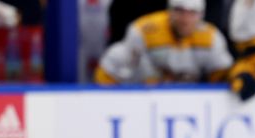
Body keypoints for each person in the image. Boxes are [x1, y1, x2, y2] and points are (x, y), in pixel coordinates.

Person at [95, 0, 232, 84]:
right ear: (169, 11)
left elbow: (223, 75)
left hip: (188, 103)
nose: (185, 20)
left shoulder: (211, 37)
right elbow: (109, 70)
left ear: (202, 15)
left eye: (192, 13)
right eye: (180, 11)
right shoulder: (145, 31)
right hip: (144, 100)